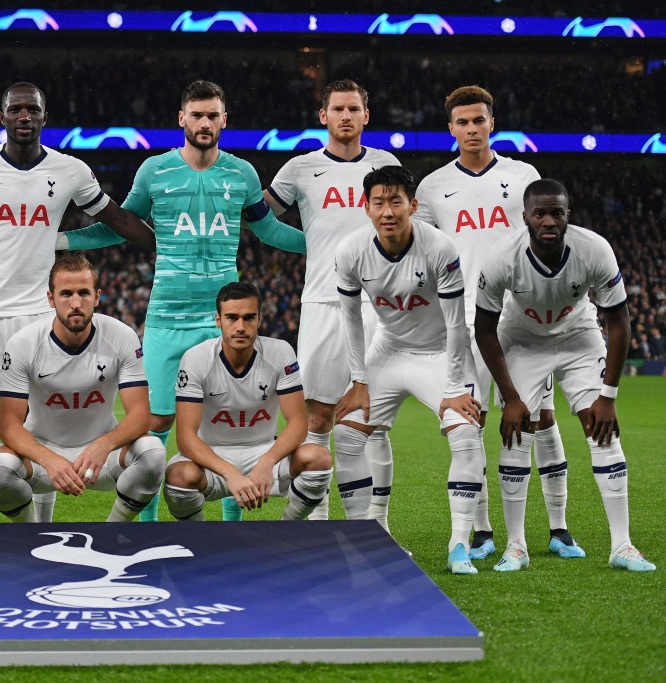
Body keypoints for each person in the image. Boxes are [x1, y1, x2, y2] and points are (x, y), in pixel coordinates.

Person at [0, 82, 154, 523]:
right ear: (2, 117)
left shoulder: (70, 170)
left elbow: (113, 217)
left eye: (31, 110)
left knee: (39, 422)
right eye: (15, 109)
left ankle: (39, 527)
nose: (23, 116)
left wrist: (162, 243)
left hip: (40, 311)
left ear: (44, 117)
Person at [62, 80, 307, 521]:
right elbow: (118, 224)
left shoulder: (243, 173)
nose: (205, 123)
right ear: (182, 119)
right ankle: (150, 524)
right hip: (166, 319)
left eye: (213, 115)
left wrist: (323, 244)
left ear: (224, 120)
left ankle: (232, 527)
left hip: (221, 321)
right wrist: (59, 239)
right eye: (197, 115)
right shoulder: (154, 171)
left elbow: (269, 230)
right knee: (155, 424)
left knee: (226, 427)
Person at [415, 85, 578, 562]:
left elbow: (546, 238)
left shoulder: (523, 174)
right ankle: (483, 530)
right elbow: (426, 254)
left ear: (492, 123)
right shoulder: (431, 187)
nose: (471, 129)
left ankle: (559, 526)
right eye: (462, 122)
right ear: (450, 128)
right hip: (466, 323)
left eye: (478, 120)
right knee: (474, 420)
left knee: (540, 417)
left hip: (521, 320)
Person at [474, 179, 655, 572]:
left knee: (601, 428)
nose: (549, 220)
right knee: (518, 430)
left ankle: (622, 546)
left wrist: (607, 396)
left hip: (577, 336)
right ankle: (516, 546)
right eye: (540, 213)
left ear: (567, 215)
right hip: (521, 339)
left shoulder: (594, 249)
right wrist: (511, 396)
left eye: (557, 212)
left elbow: (619, 323)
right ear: (525, 218)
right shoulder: (502, 257)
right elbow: (484, 329)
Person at [333, 166, 485, 575]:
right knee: (347, 433)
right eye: (378, 202)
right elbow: (351, 320)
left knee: (466, 430)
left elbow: (457, 325)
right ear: (366, 208)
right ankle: (368, 537)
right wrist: (358, 380)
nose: (387, 211)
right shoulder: (350, 251)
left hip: (440, 353)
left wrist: (455, 388)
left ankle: (459, 545)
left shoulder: (439, 247)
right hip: (389, 349)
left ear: (412, 206)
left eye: (396, 201)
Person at [263, 79, 399, 524]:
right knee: (318, 415)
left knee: (371, 420)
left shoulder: (385, 165)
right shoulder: (300, 168)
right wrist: (310, 245)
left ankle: (375, 527)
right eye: (337, 108)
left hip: (379, 306)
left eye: (353, 108)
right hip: (323, 302)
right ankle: (317, 525)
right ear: (323, 116)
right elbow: (262, 220)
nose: (346, 116)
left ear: (366, 115)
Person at [0, 254, 165, 522]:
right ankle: (32, 532)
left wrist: (102, 445)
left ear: (97, 297)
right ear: (51, 298)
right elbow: (9, 425)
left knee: (153, 454)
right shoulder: (23, 343)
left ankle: (111, 532)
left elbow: (141, 416)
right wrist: (49, 459)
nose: (75, 303)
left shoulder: (121, 336)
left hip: (102, 455)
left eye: (83, 293)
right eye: (66, 293)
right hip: (41, 455)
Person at [163, 282, 329, 521]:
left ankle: (287, 530)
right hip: (212, 455)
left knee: (319, 458)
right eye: (232, 318)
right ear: (218, 320)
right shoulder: (196, 359)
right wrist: (230, 473)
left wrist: (267, 461)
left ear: (259, 319)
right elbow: (185, 438)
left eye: (249, 318)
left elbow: (298, 424)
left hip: (264, 450)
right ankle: (200, 540)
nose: (240, 327)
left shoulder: (280, 353)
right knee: (179, 477)